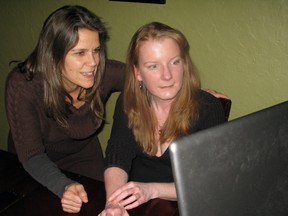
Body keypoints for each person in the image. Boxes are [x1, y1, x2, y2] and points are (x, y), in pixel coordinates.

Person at [5, 5, 125, 213]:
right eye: (80, 53)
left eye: (96, 50)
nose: (93, 62)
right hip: (33, 159)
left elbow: (150, 78)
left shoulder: (103, 74)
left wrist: (194, 94)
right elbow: (32, 154)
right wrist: (64, 186)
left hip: (84, 153)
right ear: (53, 54)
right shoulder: (23, 85)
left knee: (99, 204)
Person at [99, 22, 226, 216]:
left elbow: (210, 180)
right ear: (138, 73)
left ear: (184, 64)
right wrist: (114, 202)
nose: (167, 75)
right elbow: (117, 155)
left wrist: (152, 190)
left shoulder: (207, 108)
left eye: (175, 62)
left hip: (187, 206)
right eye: (153, 66)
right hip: (138, 206)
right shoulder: (128, 101)